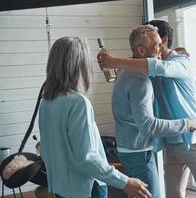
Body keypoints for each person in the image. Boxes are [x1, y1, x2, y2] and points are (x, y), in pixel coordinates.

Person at [98, 20, 196, 198]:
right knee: (173, 194)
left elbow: (158, 67)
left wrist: (114, 61)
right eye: (154, 44)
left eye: (158, 43)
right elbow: (141, 64)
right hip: (172, 142)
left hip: (195, 138)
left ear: (164, 41)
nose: (157, 47)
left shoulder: (180, 62)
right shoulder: (142, 71)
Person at [39, 37, 151, 198]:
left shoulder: (47, 102)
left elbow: (45, 151)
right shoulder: (78, 103)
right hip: (86, 190)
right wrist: (125, 181)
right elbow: (87, 159)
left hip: (60, 189)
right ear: (79, 65)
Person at [112, 25, 196, 198]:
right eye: (157, 44)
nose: (162, 47)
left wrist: (175, 56)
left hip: (128, 149)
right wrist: (186, 124)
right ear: (141, 50)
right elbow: (148, 127)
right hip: (139, 154)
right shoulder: (139, 81)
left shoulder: (126, 70)